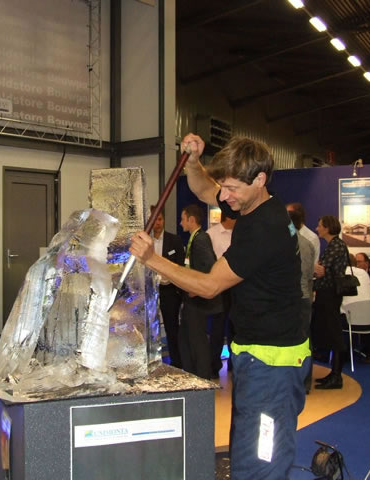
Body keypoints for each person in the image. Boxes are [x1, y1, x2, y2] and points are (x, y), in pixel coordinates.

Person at [130, 133, 309, 479]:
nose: (224, 197)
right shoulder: (250, 202)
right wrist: (193, 161)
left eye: (231, 189)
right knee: (246, 450)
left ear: (260, 180)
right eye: (224, 187)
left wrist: (152, 259)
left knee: (261, 461)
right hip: (256, 355)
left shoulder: (265, 227)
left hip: (272, 365)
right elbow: (204, 190)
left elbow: (209, 286)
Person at [178, 204, 224, 380]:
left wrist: (197, 289)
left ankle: (203, 377)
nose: (181, 223)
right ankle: (192, 374)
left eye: (183, 219)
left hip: (197, 301)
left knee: (198, 340)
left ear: (191, 220)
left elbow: (210, 265)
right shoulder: (195, 238)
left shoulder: (200, 239)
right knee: (187, 337)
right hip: (191, 299)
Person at [313, 215, 348, 390]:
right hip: (327, 294)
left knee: (334, 334)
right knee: (331, 333)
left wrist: (311, 266)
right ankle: (334, 373)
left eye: (319, 225)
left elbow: (321, 271)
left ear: (327, 228)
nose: (317, 228)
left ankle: (336, 376)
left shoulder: (336, 246)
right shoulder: (335, 245)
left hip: (330, 295)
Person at [150, 204, 185, 369]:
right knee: (149, 328)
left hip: (169, 291)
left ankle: (177, 363)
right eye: (154, 220)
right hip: (149, 291)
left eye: (160, 219)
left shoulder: (174, 240)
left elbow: (180, 266)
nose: (157, 223)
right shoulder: (145, 241)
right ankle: (151, 362)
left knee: (172, 328)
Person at [288, 206, 315, 394]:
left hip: (290, 299)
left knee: (289, 341)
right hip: (305, 298)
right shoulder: (308, 244)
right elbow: (310, 276)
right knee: (305, 340)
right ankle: (304, 382)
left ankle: (291, 382)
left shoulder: (284, 244)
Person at [206, 212, 236, 378]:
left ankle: (234, 363)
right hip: (219, 287)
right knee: (217, 327)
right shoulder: (211, 234)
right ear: (229, 217)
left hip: (237, 287)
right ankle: (214, 365)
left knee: (235, 326)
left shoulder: (240, 234)